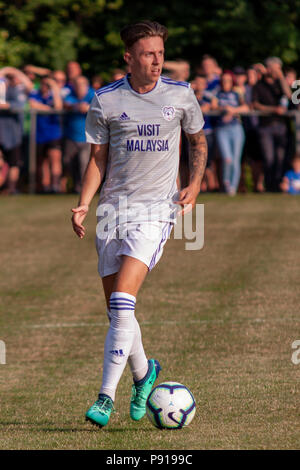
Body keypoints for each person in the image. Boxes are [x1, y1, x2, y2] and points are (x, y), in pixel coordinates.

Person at [71, 20, 207, 428]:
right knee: (118, 314)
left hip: (156, 211)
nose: (157, 61)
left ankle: (104, 399)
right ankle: (144, 374)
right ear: (128, 57)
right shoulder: (106, 100)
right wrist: (82, 204)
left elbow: (197, 140)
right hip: (113, 211)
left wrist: (195, 186)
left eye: (160, 53)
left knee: (121, 303)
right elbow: (98, 158)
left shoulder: (181, 95)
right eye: (148, 54)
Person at [252, 57, 291, 192]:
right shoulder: (258, 85)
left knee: (281, 158)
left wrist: (281, 77)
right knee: (269, 158)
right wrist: (273, 110)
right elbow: (255, 104)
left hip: (281, 126)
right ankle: (269, 186)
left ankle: (279, 186)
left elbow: (289, 95)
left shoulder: (279, 85)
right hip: (265, 126)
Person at [212, 72, 249, 195]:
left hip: (236, 128)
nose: (225, 83)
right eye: (223, 80)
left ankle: (233, 188)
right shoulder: (217, 93)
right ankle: (226, 183)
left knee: (235, 159)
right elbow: (213, 106)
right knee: (227, 158)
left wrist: (233, 111)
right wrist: (224, 109)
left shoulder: (236, 93)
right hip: (222, 129)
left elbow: (246, 108)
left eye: (228, 80)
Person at [0, 66, 33, 194]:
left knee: (14, 163)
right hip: (1, 133)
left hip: (13, 135)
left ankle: (12, 188)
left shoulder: (20, 91)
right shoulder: (3, 90)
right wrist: (6, 70)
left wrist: (15, 72)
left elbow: (28, 86)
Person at [29, 76, 63, 193]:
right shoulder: (35, 94)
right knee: (41, 162)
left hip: (53, 133)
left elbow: (58, 107)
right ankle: (45, 186)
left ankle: (55, 186)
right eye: (43, 84)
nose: (44, 87)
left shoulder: (53, 96)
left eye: (47, 85)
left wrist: (54, 86)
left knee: (54, 159)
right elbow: (32, 104)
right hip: (39, 134)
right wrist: (49, 109)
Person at [62, 76, 94, 193]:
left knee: (84, 164)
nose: (79, 88)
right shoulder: (70, 95)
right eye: (77, 85)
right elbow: (66, 104)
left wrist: (88, 108)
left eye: (81, 85)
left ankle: (85, 189)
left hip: (88, 137)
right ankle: (74, 186)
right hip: (71, 136)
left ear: (86, 85)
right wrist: (77, 106)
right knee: (68, 163)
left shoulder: (93, 94)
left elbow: (100, 106)